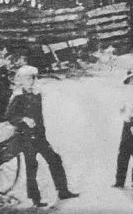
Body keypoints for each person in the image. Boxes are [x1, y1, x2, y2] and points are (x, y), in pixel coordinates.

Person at [5, 65, 79, 208]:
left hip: (39, 136)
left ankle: (63, 191)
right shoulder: (18, 96)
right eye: (28, 78)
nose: (31, 81)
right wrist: (23, 119)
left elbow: (39, 117)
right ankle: (35, 198)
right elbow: (9, 116)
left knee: (55, 159)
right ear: (21, 80)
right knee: (32, 167)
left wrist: (41, 132)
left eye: (33, 78)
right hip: (25, 138)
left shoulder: (36, 94)